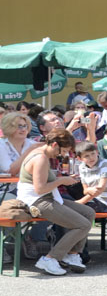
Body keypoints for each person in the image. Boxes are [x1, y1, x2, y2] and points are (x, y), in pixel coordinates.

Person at [18, 129, 95, 276]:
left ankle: (72, 254)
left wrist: (62, 179)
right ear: (54, 145)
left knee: (88, 213)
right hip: (36, 201)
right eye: (63, 150)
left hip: (48, 198)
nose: (63, 155)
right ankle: (50, 258)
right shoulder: (40, 158)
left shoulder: (41, 154)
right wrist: (62, 180)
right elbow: (40, 189)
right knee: (83, 225)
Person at [0, 111, 38, 179]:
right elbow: (10, 171)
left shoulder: (33, 144)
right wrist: (29, 151)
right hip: (7, 185)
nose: (23, 129)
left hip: (29, 184)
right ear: (8, 128)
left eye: (25, 126)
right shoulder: (1, 144)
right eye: (19, 126)